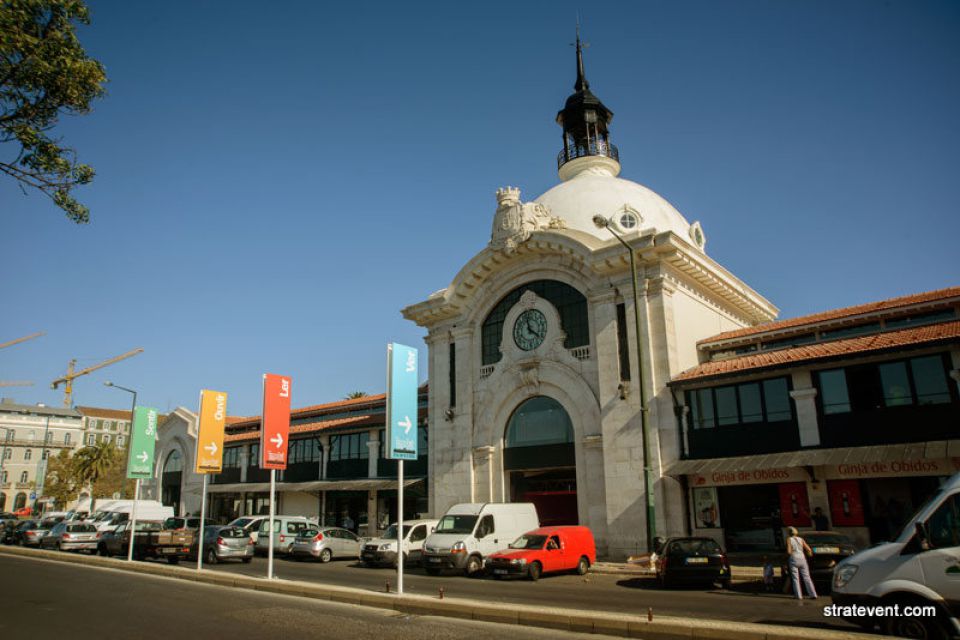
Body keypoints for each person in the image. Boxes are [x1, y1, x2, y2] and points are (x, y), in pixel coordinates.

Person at [785, 526, 817, 600]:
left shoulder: (789, 539)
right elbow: (808, 549)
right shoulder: (801, 539)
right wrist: (809, 555)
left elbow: (789, 551)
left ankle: (798, 595)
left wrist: (787, 557)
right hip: (802, 558)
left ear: (788, 533)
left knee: (795, 578)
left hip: (794, 558)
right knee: (807, 577)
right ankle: (813, 594)